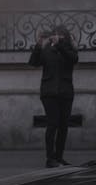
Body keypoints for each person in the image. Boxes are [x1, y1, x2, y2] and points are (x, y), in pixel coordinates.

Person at [29, 25, 78, 167]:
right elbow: (33, 63)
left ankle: (59, 157)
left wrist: (60, 45)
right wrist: (38, 45)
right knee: (53, 124)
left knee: (63, 126)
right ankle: (50, 159)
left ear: (65, 37)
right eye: (55, 35)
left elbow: (73, 59)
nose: (57, 37)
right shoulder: (46, 50)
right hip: (49, 93)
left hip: (66, 93)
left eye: (60, 36)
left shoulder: (70, 49)